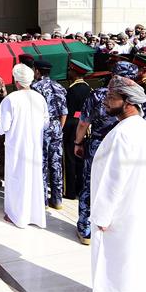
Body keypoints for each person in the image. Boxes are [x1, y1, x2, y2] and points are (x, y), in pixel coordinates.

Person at [90, 76, 146, 292]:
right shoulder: (145, 128)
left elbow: (113, 179)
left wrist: (102, 216)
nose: (105, 101)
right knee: (137, 261)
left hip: (120, 213)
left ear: (128, 102)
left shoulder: (122, 133)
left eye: (111, 97)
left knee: (116, 263)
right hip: (139, 208)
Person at [0, 64, 48, 228]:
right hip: (34, 145)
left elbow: (3, 126)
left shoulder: (11, 99)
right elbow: (46, 123)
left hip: (16, 146)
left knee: (17, 179)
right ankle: (34, 215)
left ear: (16, 80)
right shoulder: (39, 97)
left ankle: (16, 215)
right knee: (33, 179)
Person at [31, 60, 68, 208]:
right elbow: (64, 112)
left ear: (37, 71)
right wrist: (59, 128)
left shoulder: (35, 87)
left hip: (41, 126)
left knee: (42, 162)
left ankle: (43, 200)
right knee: (56, 163)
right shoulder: (59, 86)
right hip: (57, 126)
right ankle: (57, 199)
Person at [64, 60, 92, 199]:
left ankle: (69, 191)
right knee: (80, 158)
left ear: (74, 73)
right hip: (85, 124)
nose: (68, 72)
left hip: (72, 124)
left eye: (70, 70)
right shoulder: (88, 88)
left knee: (69, 158)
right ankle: (80, 188)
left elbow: (68, 110)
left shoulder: (72, 89)